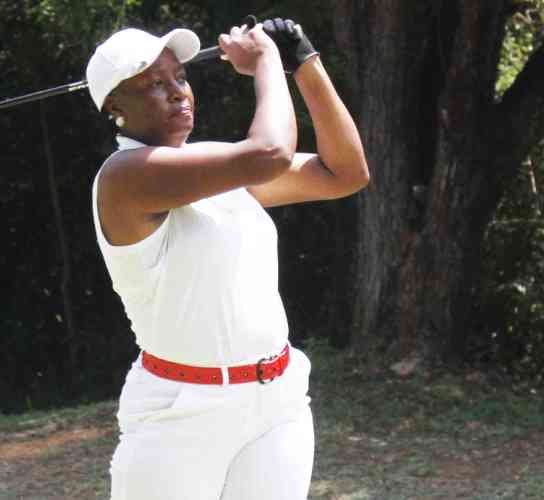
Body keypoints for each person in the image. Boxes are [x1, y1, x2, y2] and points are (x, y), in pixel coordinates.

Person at [85, 18, 368, 500]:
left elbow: (345, 173)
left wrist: (305, 62)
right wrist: (267, 60)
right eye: (154, 84)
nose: (177, 92)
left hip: (275, 406)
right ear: (115, 107)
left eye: (180, 77)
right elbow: (271, 153)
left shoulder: (221, 166)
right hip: (179, 419)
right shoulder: (124, 177)